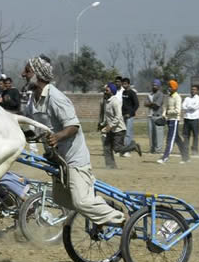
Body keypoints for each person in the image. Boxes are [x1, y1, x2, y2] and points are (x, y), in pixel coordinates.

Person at [22, 55, 125, 226]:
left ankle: (122, 219)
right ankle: (102, 206)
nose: (22, 74)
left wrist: (57, 136)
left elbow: (73, 126)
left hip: (74, 159)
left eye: (27, 70)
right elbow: (29, 124)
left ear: (38, 74)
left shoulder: (56, 98)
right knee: (61, 199)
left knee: (81, 202)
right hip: (58, 159)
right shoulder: (32, 100)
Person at [100, 83, 142, 169]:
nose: (105, 92)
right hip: (111, 129)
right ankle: (110, 165)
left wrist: (110, 126)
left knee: (117, 148)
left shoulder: (115, 101)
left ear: (112, 92)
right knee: (107, 147)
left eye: (107, 90)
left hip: (119, 130)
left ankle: (133, 146)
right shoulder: (106, 101)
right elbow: (107, 116)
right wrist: (102, 124)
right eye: (105, 90)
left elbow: (118, 116)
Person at [158, 80, 189, 164]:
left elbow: (178, 111)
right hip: (168, 120)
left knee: (170, 139)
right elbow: (164, 106)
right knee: (177, 139)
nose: (169, 88)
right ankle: (186, 157)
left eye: (170, 86)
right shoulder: (167, 96)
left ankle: (165, 157)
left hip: (174, 120)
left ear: (174, 88)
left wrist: (168, 113)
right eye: (168, 86)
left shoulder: (177, 97)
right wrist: (164, 115)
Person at [144, 79, 164, 154]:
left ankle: (158, 149)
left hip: (157, 116)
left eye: (156, 85)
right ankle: (152, 149)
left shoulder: (160, 94)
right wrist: (151, 103)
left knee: (158, 134)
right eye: (153, 85)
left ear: (159, 86)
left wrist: (150, 103)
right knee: (151, 134)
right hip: (150, 115)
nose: (154, 86)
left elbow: (157, 105)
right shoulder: (150, 94)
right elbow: (145, 104)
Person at [120, 77, 139, 157]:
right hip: (123, 115)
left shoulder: (132, 93)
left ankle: (126, 151)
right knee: (125, 133)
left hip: (130, 116)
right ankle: (128, 149)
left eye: (125, 84)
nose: (124, 85)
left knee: (128, 133)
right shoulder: (123, 92)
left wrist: (130, 113)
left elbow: (137, 105)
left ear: (128, 84)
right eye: (123, 84)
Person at [182, 85, 199, 156]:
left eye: (194, 89)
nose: (193, 91)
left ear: (197, 91)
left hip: (195, 119)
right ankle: (185, 149)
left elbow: (195, 107)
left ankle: (194, 150)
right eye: (192, 89)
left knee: (195, 135)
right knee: (186, 135)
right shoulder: (187, 98)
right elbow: (183, 106)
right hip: (187, 119)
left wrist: (188, 107)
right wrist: (189, 107)